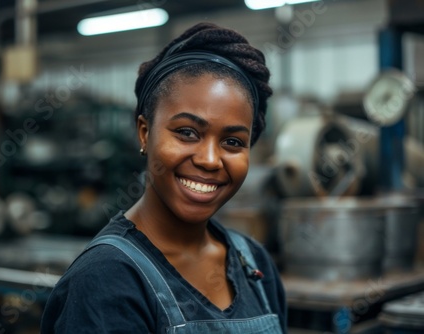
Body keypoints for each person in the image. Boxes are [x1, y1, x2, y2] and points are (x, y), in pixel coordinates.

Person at [41, 22, 287, 333]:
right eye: (187, 133)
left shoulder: (254, 265)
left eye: (233, 142)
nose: (210, 160)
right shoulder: (105, 281)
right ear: (144, 133)